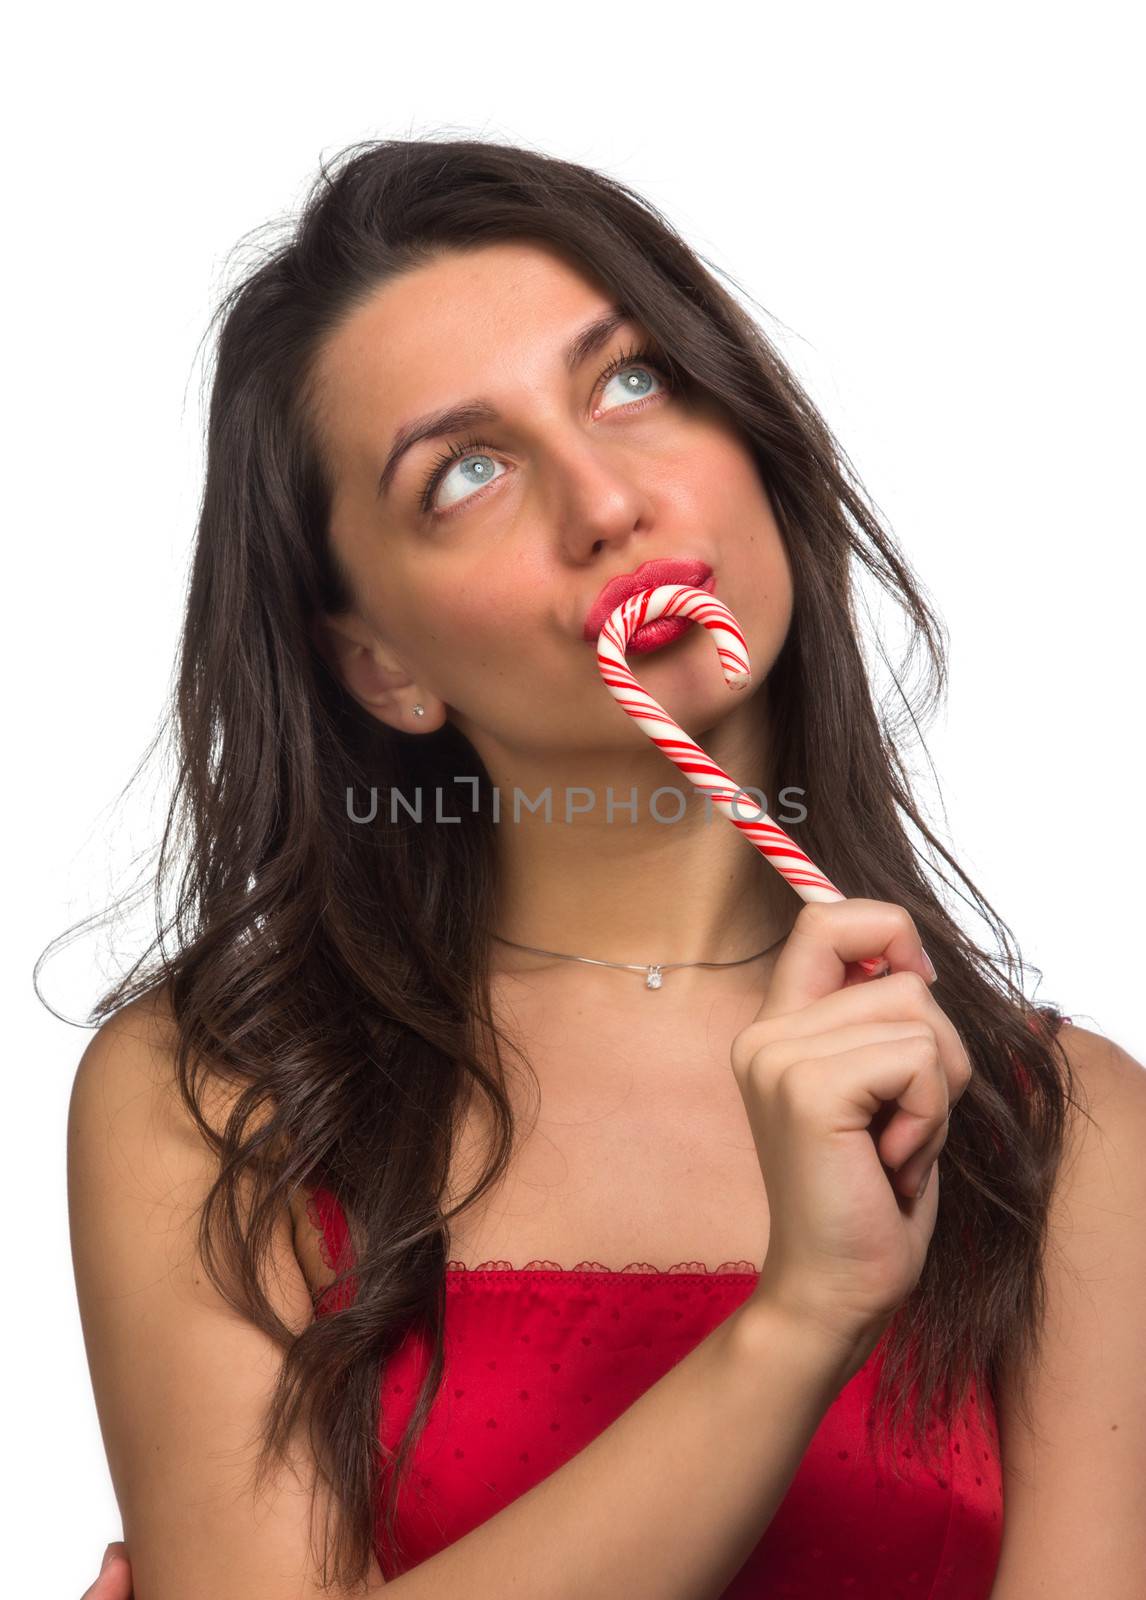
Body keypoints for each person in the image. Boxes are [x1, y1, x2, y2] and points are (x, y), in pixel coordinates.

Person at [64, 137, 1144, 1599]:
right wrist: (799, 1319)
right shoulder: (218, 1098)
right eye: (466, 471)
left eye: (631, 380)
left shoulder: (1063, 1133)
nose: (604, 502)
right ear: (379, 662)